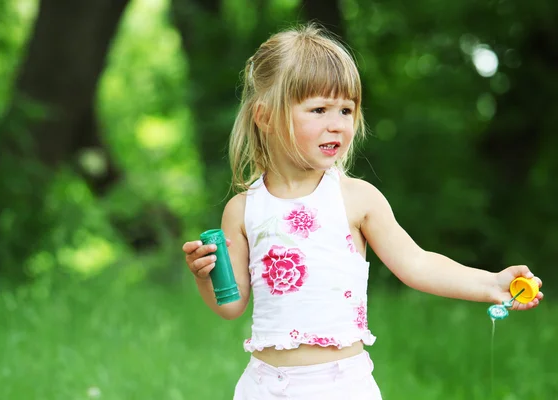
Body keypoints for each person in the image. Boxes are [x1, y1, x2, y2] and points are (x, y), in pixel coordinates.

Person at [181, 23, 544, 399]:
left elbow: (416, 264)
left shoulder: (356, 198)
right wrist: (206, 277)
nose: (337, 124)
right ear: (266, 116)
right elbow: (231, 305)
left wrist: (491, 284)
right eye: (319, 109)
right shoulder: (243, 210)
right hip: (265, 387)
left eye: (346, 110)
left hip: (342, 385)